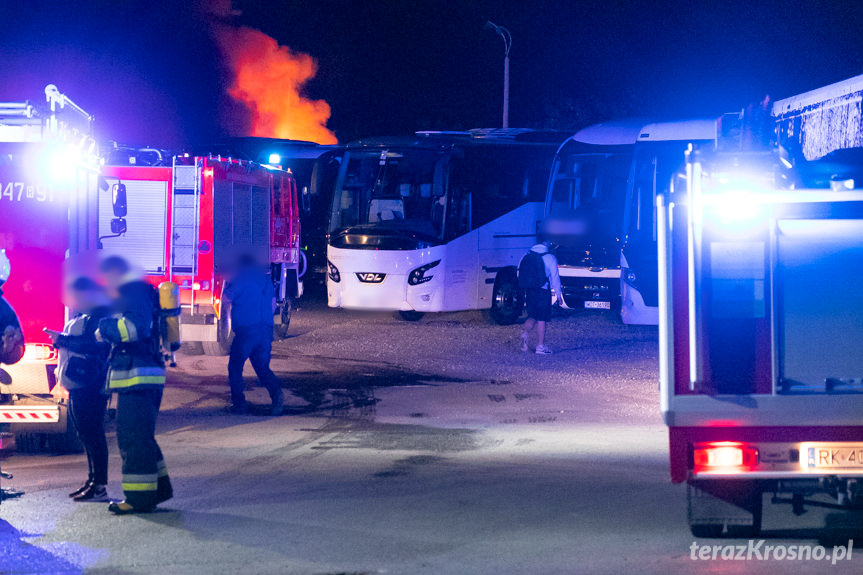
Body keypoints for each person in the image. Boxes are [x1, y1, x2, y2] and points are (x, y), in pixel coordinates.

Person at [96, 256, 172, 514]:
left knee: (132, 439)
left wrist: (104, 326)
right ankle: (157, 490)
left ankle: (138, 499)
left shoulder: (132, 291)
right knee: (141, 436)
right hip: (142, 375)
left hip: (138, 377)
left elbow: (133, 329)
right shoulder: (138, 290)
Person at [48, 277, 112, 502]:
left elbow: (93, 346)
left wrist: (62, 340)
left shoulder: (100, 316)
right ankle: (93, 482)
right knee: (86, 434)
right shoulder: (87, 315)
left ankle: (100, 486)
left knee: (93, 434)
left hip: (91, 384)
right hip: (79, 383)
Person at [223, 253, 287, 416]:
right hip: (265, 331)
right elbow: (273, 305)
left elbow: (225, 298)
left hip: (246, 331)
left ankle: (239, 404)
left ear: (242, 265)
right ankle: (277, 397)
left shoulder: (240, 279)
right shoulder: (266, 280)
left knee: (235, 367)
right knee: (263, 368)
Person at [518, 241, 563, 355]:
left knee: (532, 315)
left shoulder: (526, 254)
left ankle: (525, 335)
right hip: (543, 291)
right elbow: (555, 277)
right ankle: (540, 346)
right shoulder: (550, 257)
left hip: (530, 290)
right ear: (546, 244)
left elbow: (519, 272)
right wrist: (558, 294)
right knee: (542, 319)